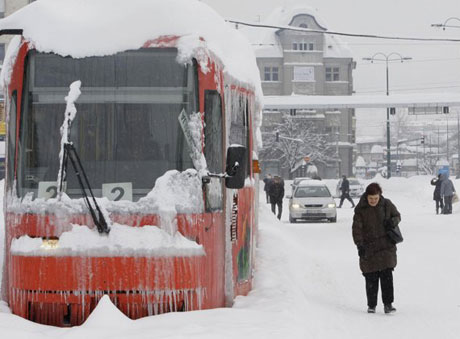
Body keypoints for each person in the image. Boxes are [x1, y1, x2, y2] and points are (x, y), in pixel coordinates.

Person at [352, 182, 401, 314]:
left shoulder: (387, 205)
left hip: (386, 246)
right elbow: (357, 229)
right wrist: (359, 245)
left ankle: (388, 304)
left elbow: (397, 216)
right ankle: (372, 305)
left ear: (380, 195)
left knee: (387, 277)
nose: (373, 201)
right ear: (366, 197)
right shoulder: (361, 209)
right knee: (371, 277)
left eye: (375, 198)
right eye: (371, 199)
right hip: (369, 247)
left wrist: (392, 222)